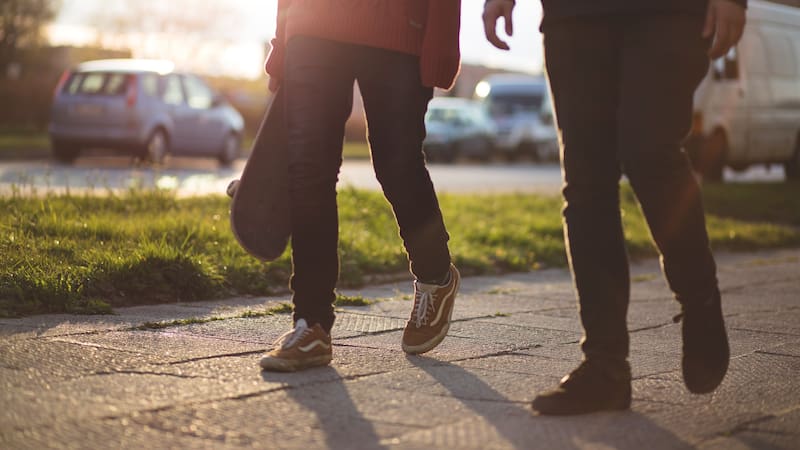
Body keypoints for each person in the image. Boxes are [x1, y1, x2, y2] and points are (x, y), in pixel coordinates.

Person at [483, 0, 746, 414]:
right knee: (586, 181)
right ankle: (604, 366)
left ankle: (699, 298)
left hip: (667, 13)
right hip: (574, 14)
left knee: (651, 155)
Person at [258, 0, 463, 372]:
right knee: (308, 171)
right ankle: (311, 324)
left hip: (398, 22)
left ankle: (435, 276)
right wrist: (282, 43)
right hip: (312, 22)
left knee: (397, 165)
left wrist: (443, 42)